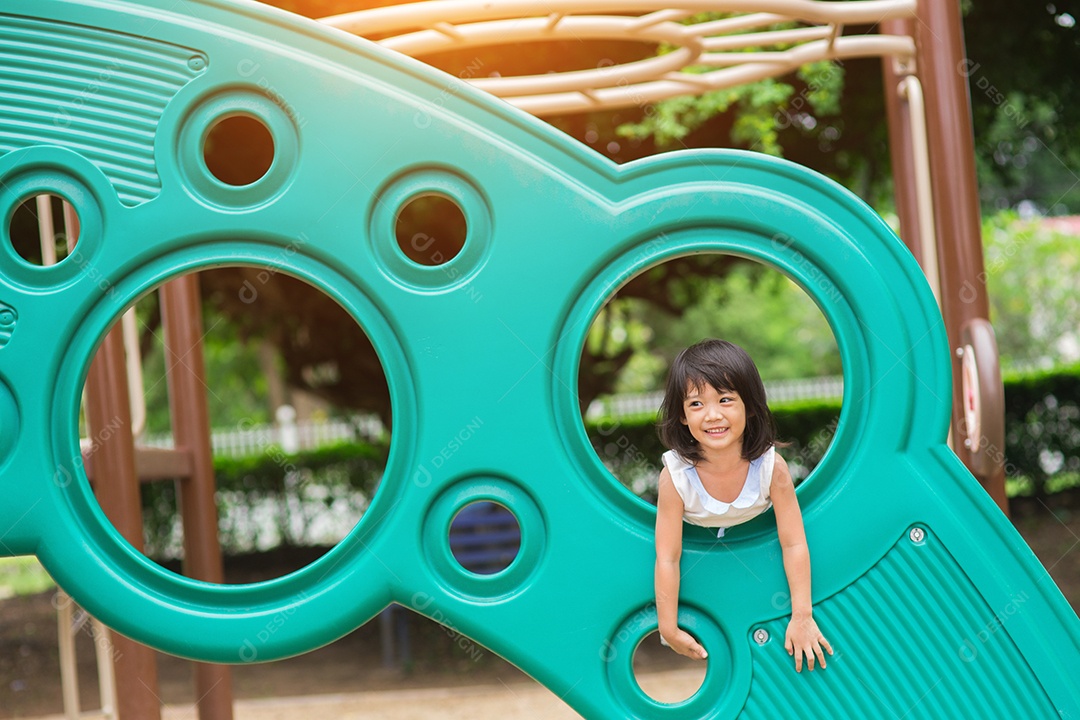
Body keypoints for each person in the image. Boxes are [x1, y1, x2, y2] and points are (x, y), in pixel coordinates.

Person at [654, 339, 832, 672]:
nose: (712, 415)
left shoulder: (771, 468)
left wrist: (802, 616)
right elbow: (668, 556)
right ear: (682, 415)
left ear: (749, 406)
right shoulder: (675, 477)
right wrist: (668, 628)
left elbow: (794, 543)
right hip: (710, 582)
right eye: (696, 403)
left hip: (763, 578)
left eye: (725, 400)